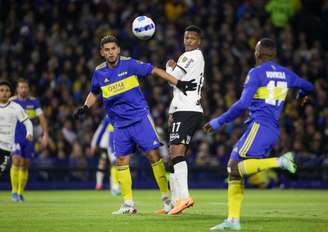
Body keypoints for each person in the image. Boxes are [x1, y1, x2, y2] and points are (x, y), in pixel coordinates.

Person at [73, 35, 197, 215]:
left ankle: (167, 201)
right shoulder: (99, 72)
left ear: (118, 49)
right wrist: (85, 107)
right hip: (119, 124)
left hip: (140, 119)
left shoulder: (130, 64)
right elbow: (94, 92)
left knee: (153, 156)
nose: (110, 52)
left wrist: (179, 83)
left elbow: (154, 70)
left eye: (113, 49)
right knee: (121, 161)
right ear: (102, 53)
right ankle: (128, 204)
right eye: (106, 50)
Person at [204, 38, 314, 230]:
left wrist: (219, 121)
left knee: (236, 168)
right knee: (233, 168)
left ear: (258, 53)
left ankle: (280, 161)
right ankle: (233, 220)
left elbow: (243, 104)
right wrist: (301, 95)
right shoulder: (287, 74)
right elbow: (309, 86)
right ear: (274, 54)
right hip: (269, 128)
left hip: (260, 126)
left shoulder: (256, 73)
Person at [164, 25, 205, 215]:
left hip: (188, 110)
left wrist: (168, 67)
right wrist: (172, 110)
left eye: (192, 38)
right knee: (174, 155)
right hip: (186, 109)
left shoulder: (190, 56)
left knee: (176, 153)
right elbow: (179, 87)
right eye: (186, 37)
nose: (188, 40)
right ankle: (175, 203)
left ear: (199, 41)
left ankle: (184, 198)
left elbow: (172, 78)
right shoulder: (193, 57)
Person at [10, 79, 49, 202]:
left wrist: (45, 135)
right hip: (14, 137)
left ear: (28, 89)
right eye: (21, 87)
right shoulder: (11, 102)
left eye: (25, 87)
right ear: (17, 89)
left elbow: (42, 118)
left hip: (28, 138)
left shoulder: (34, 102)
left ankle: (20, 193)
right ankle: (14, 192)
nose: (23, 89)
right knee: (16, 160)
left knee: (25, 165)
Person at [0, 80, 33, 181]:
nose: (4, 93)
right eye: (1, 90)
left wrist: (29, 132)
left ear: (10, 93)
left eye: (7, 91)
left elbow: (28, 122)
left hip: (6, 147)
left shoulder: (16, 107)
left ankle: (17, 192)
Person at [90, 115, 120, 195]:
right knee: (103, 163)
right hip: (105, 144)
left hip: (113, 143)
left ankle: (114, 185)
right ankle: (99, 184)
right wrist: (94, 144)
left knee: (113, 163)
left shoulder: (118, 115)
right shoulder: (108, 117)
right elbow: (99, 131)